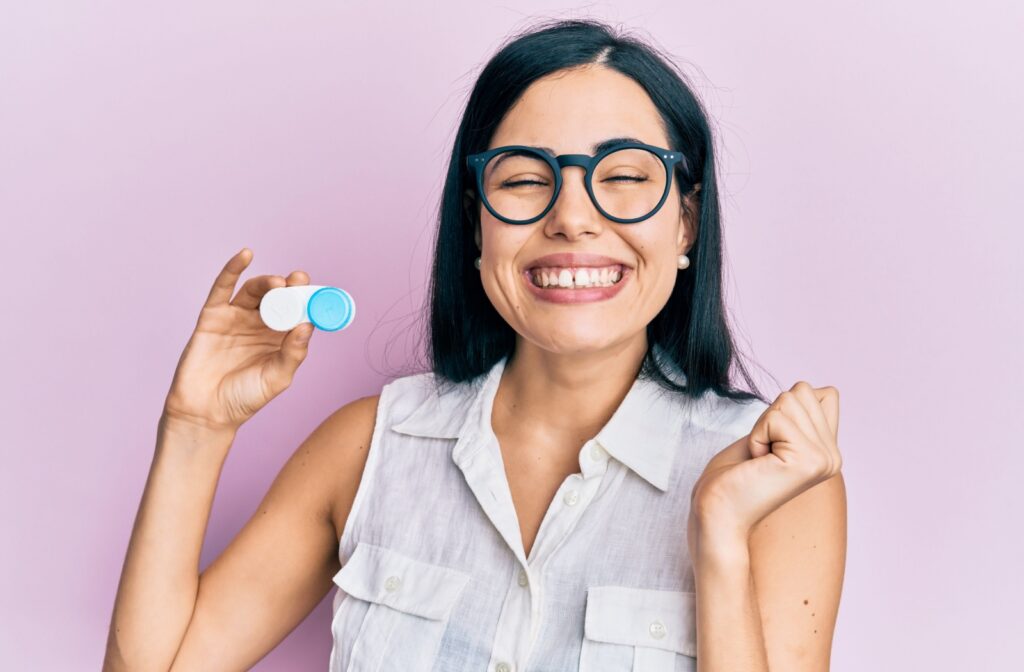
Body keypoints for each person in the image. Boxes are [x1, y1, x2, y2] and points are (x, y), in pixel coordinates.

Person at [103, 18, 846, 672]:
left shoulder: (770, 481)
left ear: (685, 223)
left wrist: (718, 538)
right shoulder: (368, 447)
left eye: (623, 176)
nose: (573, 217)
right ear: (476, 222)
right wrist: (195, 431)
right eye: (525, 179)